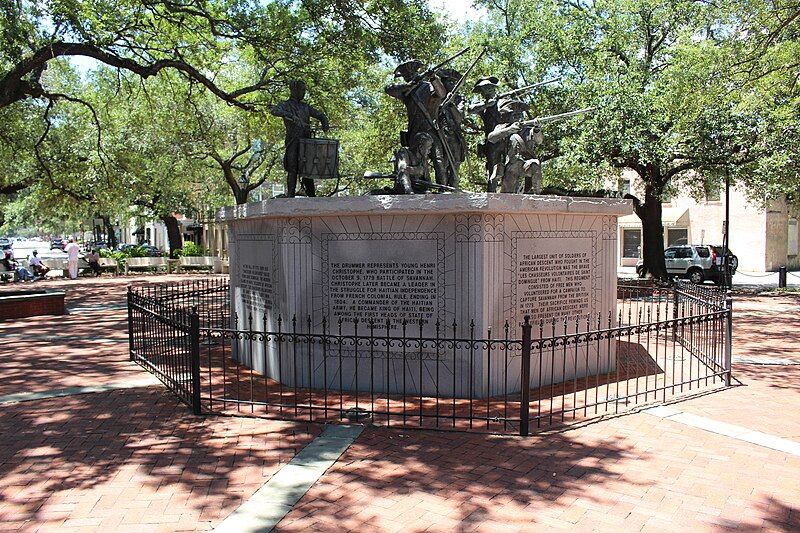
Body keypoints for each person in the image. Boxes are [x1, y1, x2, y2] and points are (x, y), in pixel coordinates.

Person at [385, 60, 449, 186]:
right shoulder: (406, 92)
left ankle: (443, 188)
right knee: (417, 161)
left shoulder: (427, 86)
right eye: (406, 76)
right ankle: (419, 184)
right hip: (415, 133)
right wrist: (409, 85)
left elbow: (441, 93)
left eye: (411, 74)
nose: (409, 77)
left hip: (431, 130)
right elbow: (388, 89)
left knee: (439, 160)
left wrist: (433, 78)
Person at [270, 80, 330, 197]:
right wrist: (289, 115)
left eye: (304, 90)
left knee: (308, 170)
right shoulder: (286, 105)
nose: (303, 92)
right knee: (292, 168)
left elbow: (320, 115)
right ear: (294, 90)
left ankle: (312, 197)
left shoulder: (305, 107)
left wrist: (324, 122)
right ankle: (290, 196)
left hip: (306, 143)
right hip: (293, 141)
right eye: (302, 90)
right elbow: (274, 110)